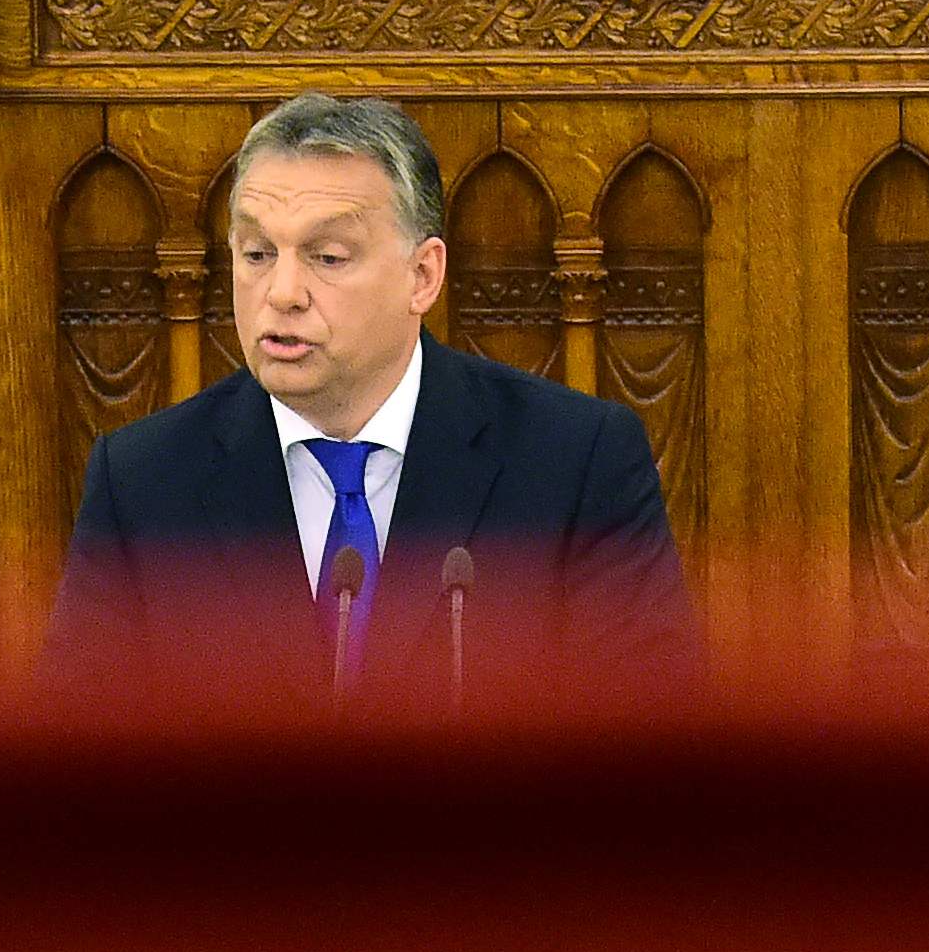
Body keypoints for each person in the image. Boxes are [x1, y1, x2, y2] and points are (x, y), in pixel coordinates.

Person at [45, 92, 697, 700]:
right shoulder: (144, 482)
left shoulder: (573, 463)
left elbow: (652, 750)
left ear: (422, 275)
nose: (283, 292)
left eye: (328, 257)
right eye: (257, 253)